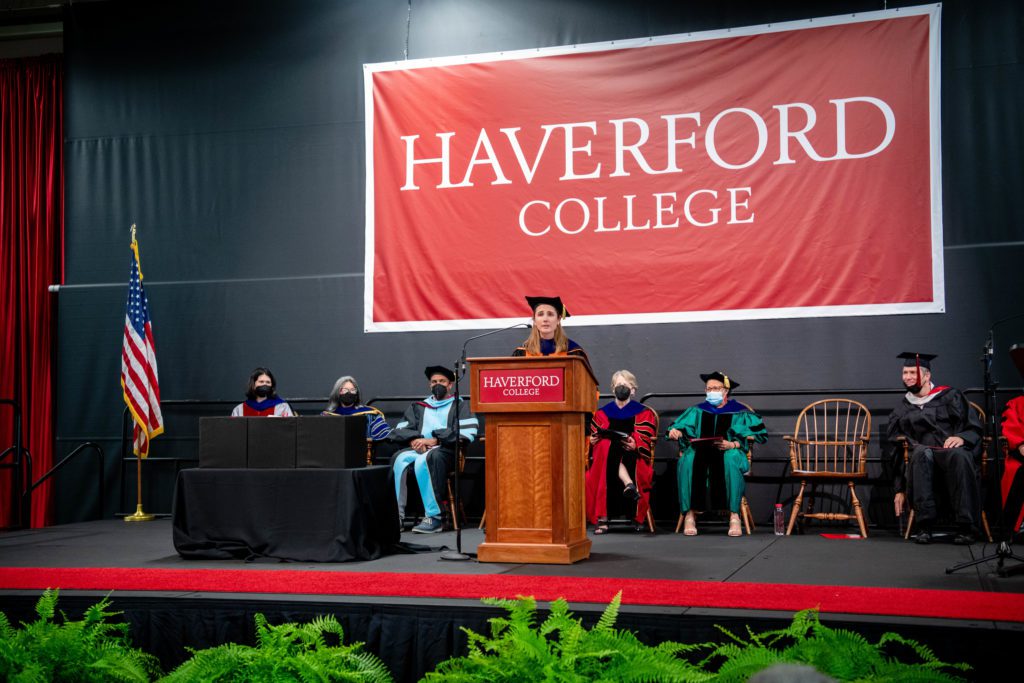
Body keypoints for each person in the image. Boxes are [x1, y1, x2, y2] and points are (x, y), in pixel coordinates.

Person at [887, 352, 983, 545]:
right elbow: (897, 447)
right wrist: (899, 488)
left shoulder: (950, 396)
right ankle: (924, 526)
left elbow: (973, 426)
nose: (907, 377)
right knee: (921, 453)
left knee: (960, 456)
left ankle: (966, 527)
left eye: (913, 372)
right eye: (905, 372)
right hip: (922, 455)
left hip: (949, 453)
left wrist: (962, 437)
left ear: (927, 376)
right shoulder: (903, 407)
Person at [667, 372, 767, 537]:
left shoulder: (739, 412)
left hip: (729, 450)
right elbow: (676, 427)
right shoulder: (697, 411)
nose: (711, 391)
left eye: (716, 388)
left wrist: (733, 444)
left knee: (730, 459)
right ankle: (690, 514)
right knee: (688, 458)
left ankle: (734, 515)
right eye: (709, 388)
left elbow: (758, 435)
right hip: (701, 451)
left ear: (726, 391)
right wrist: (674, 431)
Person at [388, 365, 478, 533]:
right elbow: (399, 430)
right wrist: (415, 440)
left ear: (450, 385)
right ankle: (396, 516)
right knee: (398, 459)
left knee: (430, 458)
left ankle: (435, 516)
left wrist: (435, 439)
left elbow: (467, 433)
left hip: (446, 451)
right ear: (430, 385)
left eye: (442, 381)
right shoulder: (419, 406)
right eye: (434, 381)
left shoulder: (460, 406)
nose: (438, 384)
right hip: (419, 448)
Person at [585, 370, 658, 534]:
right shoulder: (603, 413)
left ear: (633, 390)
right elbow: (593, 437)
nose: (621, 388)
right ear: (612, 389)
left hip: (633, 455)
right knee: (606, 445)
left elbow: (647, 437)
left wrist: (635, 443)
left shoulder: (643, 412)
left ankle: (603, 519)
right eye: (618, 385)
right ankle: (628, 485)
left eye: (625, 385)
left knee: (610, 449)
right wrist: (591, 441)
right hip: (606, 457)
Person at [512, 295, 588, 361]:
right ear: (534, 320)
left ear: (558, 319)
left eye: (550, 314)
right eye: (540, 314)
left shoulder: (573, 351)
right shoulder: (522, 352)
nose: (545, 319)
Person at [999, 344, 1024, 536]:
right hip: (1021, 456)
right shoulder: (1016, 403)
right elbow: (1010, 429)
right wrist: (1021, 444)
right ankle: (1017, 525)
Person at [322, 375, 391, 441]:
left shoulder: (370, 415)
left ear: (357, 394)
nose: (349, 393)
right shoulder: (327, 416)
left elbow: (385, 434)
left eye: (353, 390)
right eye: (345, 390)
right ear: (337, 392)